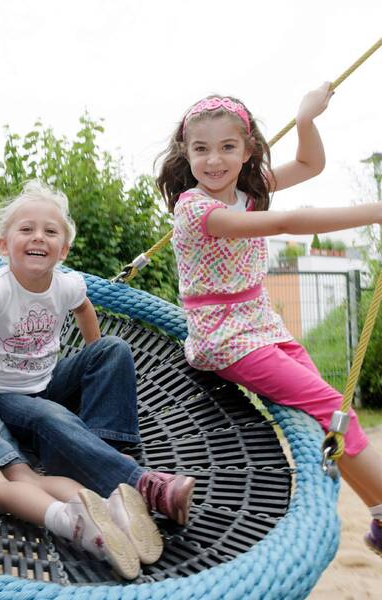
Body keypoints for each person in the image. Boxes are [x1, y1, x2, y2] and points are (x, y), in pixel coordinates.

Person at [0, 180, 196, 532]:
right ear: (4, 245)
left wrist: (93, 372)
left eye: (50, 231)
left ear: (63, 250)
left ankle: (105, 448)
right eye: (26, 229)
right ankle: (141, 485)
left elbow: (85, 311)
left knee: (112, 350)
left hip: (45, 382)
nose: (38, 237)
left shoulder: (67, 284)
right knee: (51, 417)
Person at [156, 82, 382, 556]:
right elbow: (283, 225)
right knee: (328, 406)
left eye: (227, 148)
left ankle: (378, 516)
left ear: (248, 150)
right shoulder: (195, 208)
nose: (214, 160)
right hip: (225, 336)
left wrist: (305, 120)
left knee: (336, 414)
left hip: (262, 323)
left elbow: (310, 165)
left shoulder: (249, 188)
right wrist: (374, 213)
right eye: (201, 149)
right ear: (186, 152)